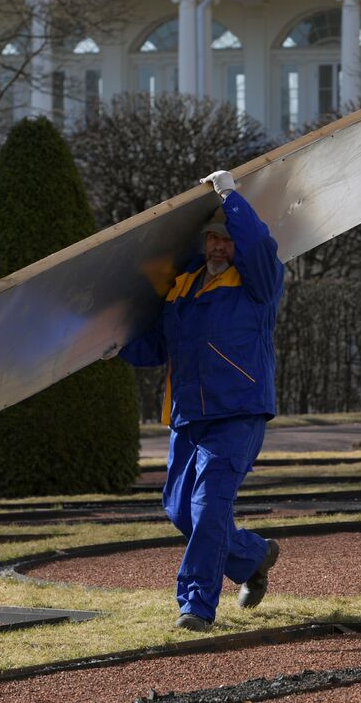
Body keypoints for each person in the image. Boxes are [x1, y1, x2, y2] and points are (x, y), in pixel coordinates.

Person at [106, 169, 284, 631]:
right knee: (181, 511)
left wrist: (231, 197)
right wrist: (114, 345)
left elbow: (261, 245)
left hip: (238, 415)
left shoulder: (257, 285)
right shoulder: (181, 290)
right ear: (203, 243)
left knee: (207, 510)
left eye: (227, 240)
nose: (219, 247)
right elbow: (160, 348)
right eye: (213, 239)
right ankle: (253, 555)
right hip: (187, 419)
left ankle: (196, 607)